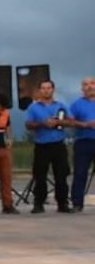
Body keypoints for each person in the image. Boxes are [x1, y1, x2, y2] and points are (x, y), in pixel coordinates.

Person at [24, 80, 74, 213]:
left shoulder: (61, 105)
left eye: (49, 88)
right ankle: (39, 203)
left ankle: (63, 203)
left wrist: (59, 121)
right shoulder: (33, 107)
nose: (46, 90)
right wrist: (43, 124)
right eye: (43, 88)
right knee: (40, 175)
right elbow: (28, 125)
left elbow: (71, 121)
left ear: (53, 90)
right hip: (42, 145)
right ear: (40, 90)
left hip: (58, 144)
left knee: (61, 175)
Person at [69, 76, 95, 212]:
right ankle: (77, 203)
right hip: (83, 142)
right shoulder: (76, 104)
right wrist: (84, 124)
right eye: (86, 84)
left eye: (92, 83)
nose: (89, 86)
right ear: (82, 88)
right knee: (80, 173)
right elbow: (69, 121)